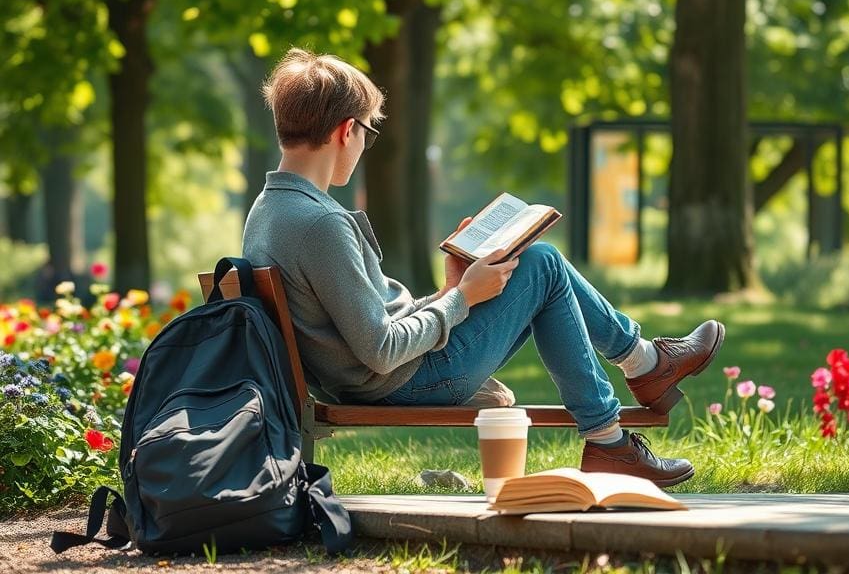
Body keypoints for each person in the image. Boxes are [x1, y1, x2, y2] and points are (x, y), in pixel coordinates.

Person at [242, 48, 725, 487]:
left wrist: (451, 288)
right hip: (403, 383)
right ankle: (630, 397)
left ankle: (633, 393)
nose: (366, 144)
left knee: (534, 266)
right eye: (368, 131)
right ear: (346, 130)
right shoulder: (321, 224)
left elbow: (362, 328)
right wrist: (463, 298)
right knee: (542, 264)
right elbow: (382, 349)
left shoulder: (269, 211)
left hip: (373, 378)